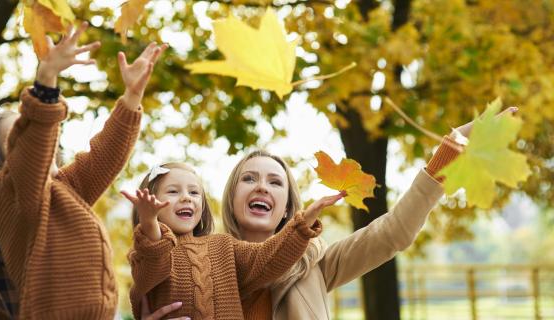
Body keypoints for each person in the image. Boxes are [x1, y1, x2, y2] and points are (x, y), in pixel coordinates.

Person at [0, 20, 167, 319]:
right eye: (21, 136)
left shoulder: (60, 191)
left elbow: (103, 157)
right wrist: (46, 81)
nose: (45, 139)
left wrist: (131, 98)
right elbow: (33, 150)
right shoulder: (11, 200)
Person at [220, 108, 518, 319]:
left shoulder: (312, 266)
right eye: (249, 179)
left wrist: (450, 151)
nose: (261, 187)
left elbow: (392, 232)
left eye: (274, 182)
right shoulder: (203, 260)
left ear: (287, 206)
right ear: (231, 197)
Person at [121, 162, 346, 319]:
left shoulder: (223, 246)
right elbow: (152, 267)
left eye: (194, 192)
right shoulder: (146, 255)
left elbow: (267, 257)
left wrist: (302, 224)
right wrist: (149, 222)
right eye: (172, 191)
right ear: (149, 204)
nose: (186, 197)